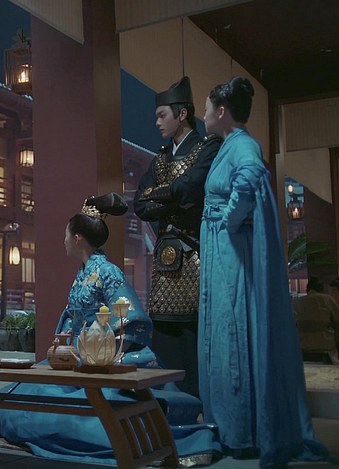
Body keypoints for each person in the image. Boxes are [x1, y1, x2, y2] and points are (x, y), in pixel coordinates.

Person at [0, 193, 217, 466]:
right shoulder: (84, 272)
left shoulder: (108, 272)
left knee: (72, 408)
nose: (64, 241)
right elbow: (72, 317)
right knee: (17, 395)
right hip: (75, 355)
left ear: (77, 238)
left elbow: (131, 317)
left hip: (97, 356)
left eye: (66, 235)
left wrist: (96, 346)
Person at [199, 76, 328, 465]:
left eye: (207, 108)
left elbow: (252, 174)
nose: (204, 114)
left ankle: (241, 430)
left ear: (222, 111)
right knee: (225, 332)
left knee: (232, 333)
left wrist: (229, 218)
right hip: (223, 252)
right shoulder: (230, 145)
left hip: (231, 256)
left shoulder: (243, 145)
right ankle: (231, 426)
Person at [134, 76, 220, 397]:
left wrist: (162, 194)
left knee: (193, 339)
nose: (157, 122)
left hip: (194, 256)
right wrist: (174, 196)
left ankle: (198, 408)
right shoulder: (159, 159)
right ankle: (168, 412)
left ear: (182, 114)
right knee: (164, 339)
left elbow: (192, 187)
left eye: (162, 115)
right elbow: (140, 204)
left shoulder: (206, 148)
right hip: (164, 263)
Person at [293, 277, 339, 364]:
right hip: (324, 347)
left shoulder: (296, 302)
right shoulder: (327, 300)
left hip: (302, 347)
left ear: (307, 289)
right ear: (321, 288)